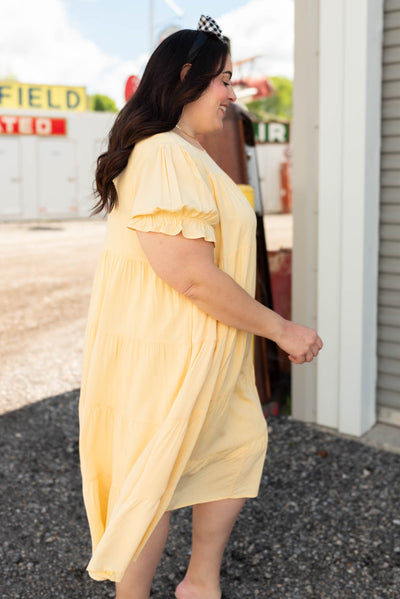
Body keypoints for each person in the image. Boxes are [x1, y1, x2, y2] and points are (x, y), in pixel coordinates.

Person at [79, 15, 323, 599]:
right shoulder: (163, 152)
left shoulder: (187, 152)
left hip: (205, 344)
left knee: (232, 445)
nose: (233, 95)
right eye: (224, 81)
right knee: (154, 476)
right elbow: (189, 275)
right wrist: (281, 329)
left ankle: (199, 584)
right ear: (186, 78)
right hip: (167, 347)